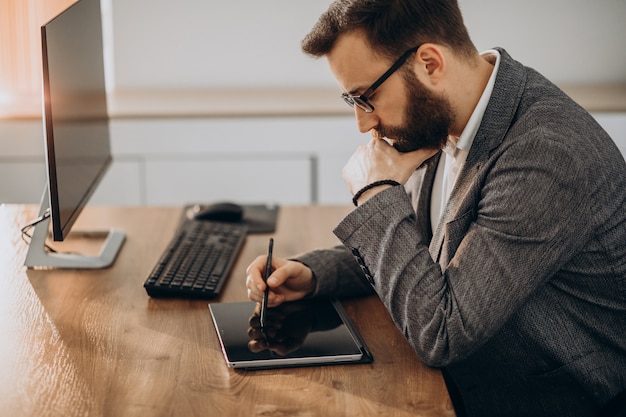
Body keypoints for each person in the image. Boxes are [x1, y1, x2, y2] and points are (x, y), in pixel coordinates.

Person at [245, 1, 626, 415]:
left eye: (366, 97)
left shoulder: (546, 154)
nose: (362, 123)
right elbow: (423, 248)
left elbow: (440, 332)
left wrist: (375, 193)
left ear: (429, 63)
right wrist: (315, 273)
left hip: (545, 399)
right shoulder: (442, 118)